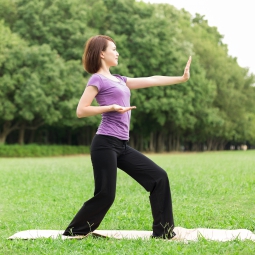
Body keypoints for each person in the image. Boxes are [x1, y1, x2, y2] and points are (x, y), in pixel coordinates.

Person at [63, 35, 191, 239]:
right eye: (113, 49)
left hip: (121, 146)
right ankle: (74, 231)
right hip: (104, 143)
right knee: (106, 194)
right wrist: (111, 107)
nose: (117, 52)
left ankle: (164, 233)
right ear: (102, 53)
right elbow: (81, 110)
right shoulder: (97, 79)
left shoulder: (120, 80)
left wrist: (180, 79)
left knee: (158, 177)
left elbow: (152, 80)